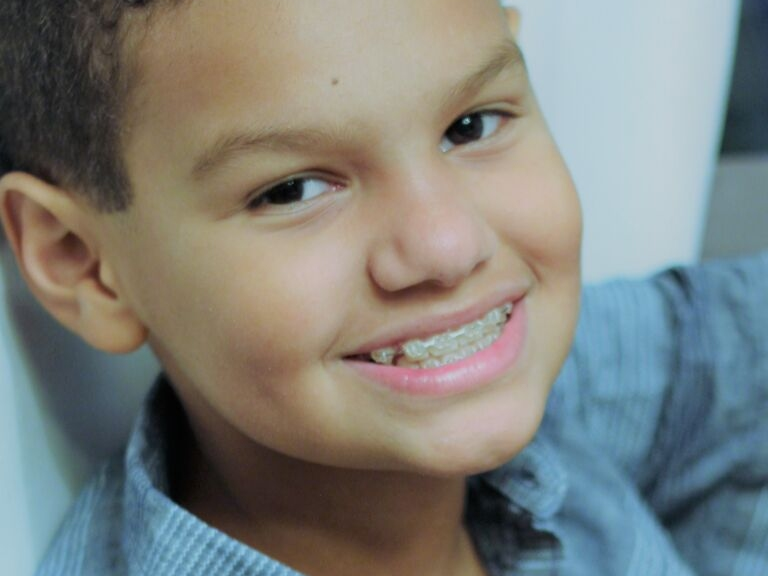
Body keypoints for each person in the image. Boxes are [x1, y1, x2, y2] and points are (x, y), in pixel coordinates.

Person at [0, 1, 765, 575]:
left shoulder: (548, 383)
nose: (448, 247)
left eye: (471, 125)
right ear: (82, 263)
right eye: (293, 190)